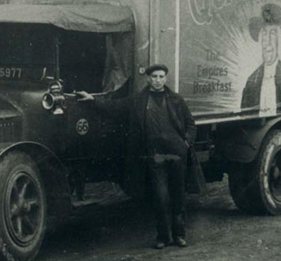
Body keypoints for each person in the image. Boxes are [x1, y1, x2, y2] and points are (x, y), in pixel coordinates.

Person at [76, 64, 197, 249]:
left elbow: (190, 123)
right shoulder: (138, 101)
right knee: (161, 197)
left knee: (178, 196)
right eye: (154, 76)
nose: (158, 80)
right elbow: (114, 106)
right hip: (154, 158)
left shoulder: (176, 100)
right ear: (148, 79)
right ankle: (163, 237)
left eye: (161, 76)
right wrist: (92, 99)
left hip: (176, 156)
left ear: (166, 78)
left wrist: (186, 143)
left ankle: (179, 235)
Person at [241, 4, 281, 116]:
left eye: (272, 35)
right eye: (264, 35)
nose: (267, 42)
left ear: (280, 40)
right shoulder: (251, 80)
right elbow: (245, 116)